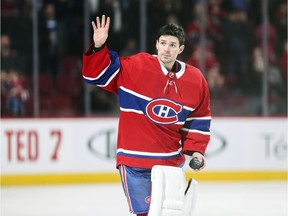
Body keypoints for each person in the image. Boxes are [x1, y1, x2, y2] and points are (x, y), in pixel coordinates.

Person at [82, 15, 211, 216]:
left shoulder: (195, 80)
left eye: (172, 44)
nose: (166, 49)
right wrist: (99, 47)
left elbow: (198, 118)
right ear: (156, 45)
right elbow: (95, 75)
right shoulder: (136, 67)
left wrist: (196, 151)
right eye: (163, 43)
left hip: (170, 164)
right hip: (135, 162)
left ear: (181, 49)